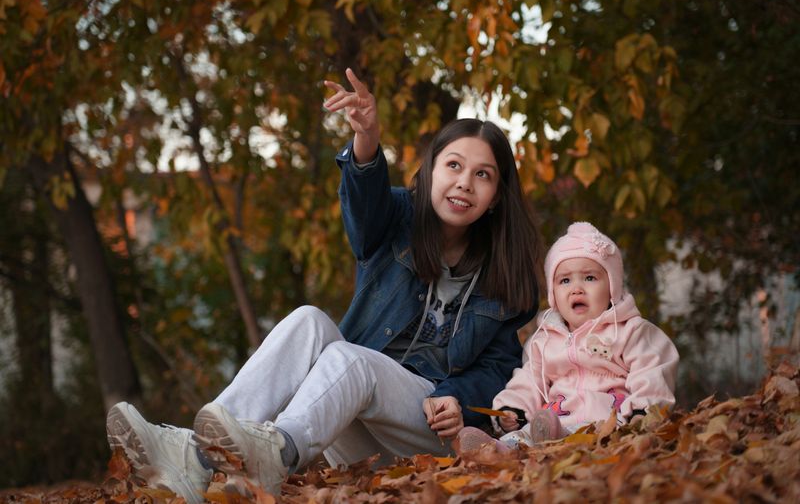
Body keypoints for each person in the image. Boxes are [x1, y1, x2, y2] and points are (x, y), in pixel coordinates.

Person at [105, 68, 544, 502]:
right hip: (350, 418)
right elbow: (363, 203)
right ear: (430, 171)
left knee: (352, 358)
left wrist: (457, 398)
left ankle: (275, 451)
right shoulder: (396, 220)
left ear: (497, 197)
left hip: (426, 430)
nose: (465, 182)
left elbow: (499, 369)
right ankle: (197, 460)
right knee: (309, 320)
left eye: (483, 175)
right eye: (453, 165)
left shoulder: (504, 272)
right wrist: (367, 139)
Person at [457, 221, 679, 453]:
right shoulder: (544, 340)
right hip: (553, 419)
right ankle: (497, 450)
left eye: (589, 278)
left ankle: (552, 441)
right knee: (523, 435)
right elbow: (529, 381)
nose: (576, 289)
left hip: (609, 422)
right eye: (565, 280)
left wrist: (643, 412)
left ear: (612, 286)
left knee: (571, 434)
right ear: (553, 294)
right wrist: (514, 409)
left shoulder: (630, 331)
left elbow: (652, 372)